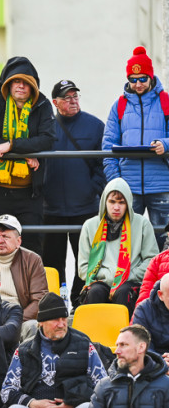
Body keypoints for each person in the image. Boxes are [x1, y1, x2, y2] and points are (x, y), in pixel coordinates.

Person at [0, 292, 106, 408]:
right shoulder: (24, 350)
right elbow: (6, 391)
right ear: (41, 322)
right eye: (55, 319)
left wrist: (72, 404)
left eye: (64, 318)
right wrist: (33, 404)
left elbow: (103, 387)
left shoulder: (83, 344)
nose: (62, 324)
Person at [0, 56, 56, 254]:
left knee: (31, 246)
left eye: (26, 83)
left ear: (33, 87)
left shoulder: (43, 105)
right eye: (16, 81)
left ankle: (29, 286)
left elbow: (47, 138)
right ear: (8, 84)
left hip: (29, 193)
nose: (20, 86)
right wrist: (25, 152)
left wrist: (10, 145)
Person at [42, 79, 106, 297]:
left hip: (85, 208)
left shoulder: (95, 126)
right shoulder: (45, 128)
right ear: (55, 103)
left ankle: (79, 299)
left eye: (75, 96)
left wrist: (93, 188)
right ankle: (55, 300)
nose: (73, 101)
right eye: (67, 98)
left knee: (85, 259)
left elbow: (103, 163)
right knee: (52, 261)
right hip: (51, 209)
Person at [103, 46, 169, 244]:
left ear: (151, 76)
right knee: (127, 242)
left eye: (142, 78)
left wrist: (165, 144)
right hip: (128, 186)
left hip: (161, 184)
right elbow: (108, 145)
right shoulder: (119, 105)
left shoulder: (166, 101)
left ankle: (164, 276)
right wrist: (116, 182)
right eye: (133, 79)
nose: (138, 84)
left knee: (163, 241)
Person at [77, 177, 158, 308]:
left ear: (128, 204)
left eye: (121, 202)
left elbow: (151, 260)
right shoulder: (90, 225)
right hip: (100, 280)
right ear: (104, 202)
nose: (116, 207)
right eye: (112, 202)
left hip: (130, 280)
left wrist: (128, 276)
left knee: (125, 293)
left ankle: (128, 329)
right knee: (95, 292)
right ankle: (94, 329)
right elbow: (83, 268)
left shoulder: (142, 224)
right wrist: (110, 278)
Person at [131, 273, 169, 354]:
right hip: (155, 362)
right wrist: (160, 361)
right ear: (160, 295)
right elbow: (140, 345)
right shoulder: (143, 310)